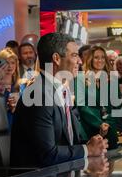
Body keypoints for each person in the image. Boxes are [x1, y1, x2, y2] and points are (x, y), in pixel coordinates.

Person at [10, 32, 108, 168]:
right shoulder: (38, 94)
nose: (80, 61)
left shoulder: (62, 91)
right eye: (74, 55)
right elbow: (47, 154)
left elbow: (69, 142)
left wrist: (93, 144)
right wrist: (88, 149)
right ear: (56, 58)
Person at [77, 46, 118, 149]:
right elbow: (82, 106)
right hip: (89, 129)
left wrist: (107, 124)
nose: (100, 60)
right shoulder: (80, 79)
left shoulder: (112, 79)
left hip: (110, 128)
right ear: (90, 59)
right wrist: (99, 124)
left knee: (111, 162)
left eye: (103, 57)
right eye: (96, 57)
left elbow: (116, 105)